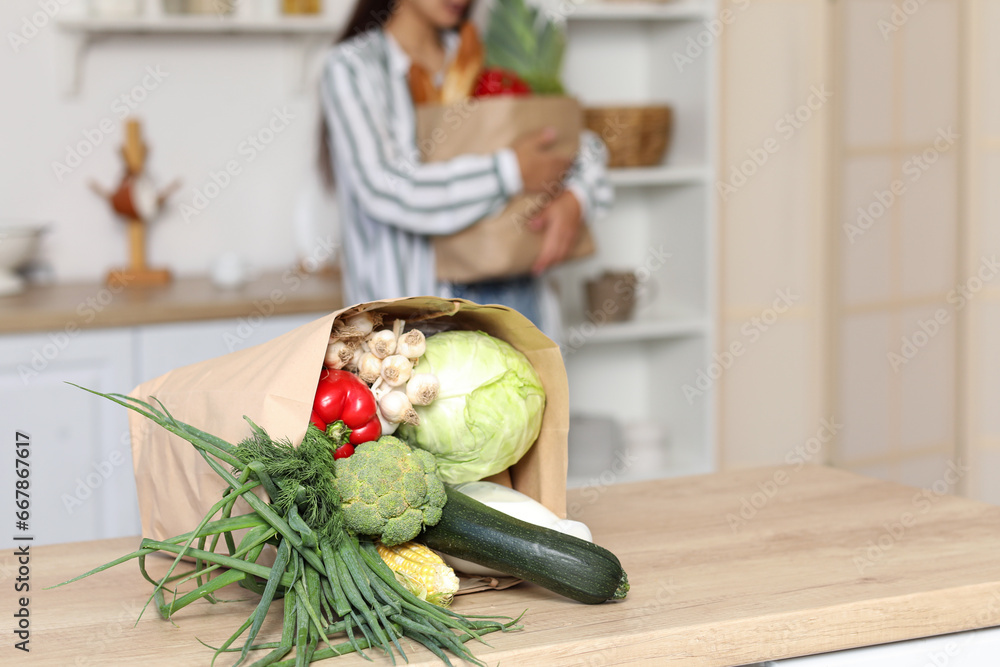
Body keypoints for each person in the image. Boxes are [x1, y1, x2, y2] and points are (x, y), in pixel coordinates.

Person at [318, 0, 613, 337]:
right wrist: (510, 171)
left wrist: (577, 197)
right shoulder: (353, 67)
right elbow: (384, 187)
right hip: (412, 326)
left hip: (519, 301)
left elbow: (581, 144)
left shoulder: (488, 57)